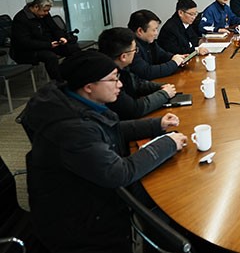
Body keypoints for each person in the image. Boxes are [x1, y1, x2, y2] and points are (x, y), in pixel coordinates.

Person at [22, 50, 187, 253]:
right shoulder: (72, 128)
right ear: (89, 87)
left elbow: (111, 128)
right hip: (80, 224)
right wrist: (167, 144)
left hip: (91, 194)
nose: (120, 84)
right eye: (113, 79)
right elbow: (119, 173)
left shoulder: (77, 102)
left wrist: (156, 125)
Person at [99, 27, 177, 119]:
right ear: (123, 57)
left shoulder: (123, 67)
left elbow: (137, 83)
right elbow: (133, 109)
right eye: (135, 50)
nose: (136, 53)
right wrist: (164, 94)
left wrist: (160, 87)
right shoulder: (107, 79)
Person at [10, 0, 80, 80]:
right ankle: (58, 81)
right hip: (27, 50)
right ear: (36, 7)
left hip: (47, 44)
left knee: (72, 49)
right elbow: (24, 42)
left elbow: (55, 28)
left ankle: (75, 75)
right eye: (45, 11)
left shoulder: (44, 14)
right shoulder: (20, 19)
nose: (46, 13)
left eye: (48, 11)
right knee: (50, 57)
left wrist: (61, 37)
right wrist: (48, 45)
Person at [127, 9, 186, 80]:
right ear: (140, 31)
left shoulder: (149, 42)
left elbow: (162, 55)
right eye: (154, 30)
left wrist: (176, 57)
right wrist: (174, 63)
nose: (156, 33)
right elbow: (147, 72)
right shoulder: (130, 48)